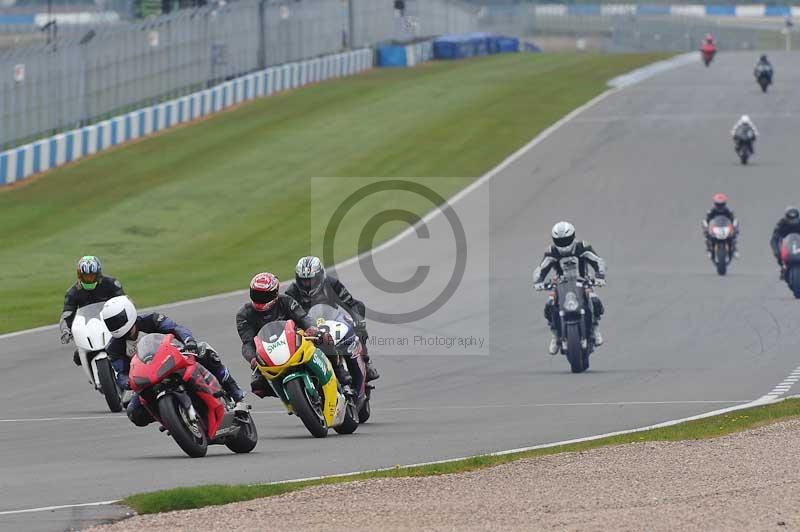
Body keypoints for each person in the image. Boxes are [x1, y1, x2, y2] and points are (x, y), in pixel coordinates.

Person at [99, 296, 246, 427]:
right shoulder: (113, 347)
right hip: (148, 378)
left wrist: (189, 341)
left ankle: (236, 393)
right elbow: (120, 373)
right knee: (133, 412)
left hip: (172, 359)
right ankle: (172, 418)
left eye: (117, 320)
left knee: (204, 351)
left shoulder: (151, 319)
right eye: (111, 322)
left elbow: (175, 328)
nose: (115, 324)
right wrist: (127, 382)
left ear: (129, 313)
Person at [236, 272, 330, 399]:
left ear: (274, 293)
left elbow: (303, 317)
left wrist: (312, 328)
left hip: (296, 340)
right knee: (258, 386)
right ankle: (289, 396)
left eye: (264, 295)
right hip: (269, 351)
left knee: (325, 340)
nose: (260, 299)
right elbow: (247, 342)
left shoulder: (285, 301)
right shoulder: (244, 314)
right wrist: (253, 359)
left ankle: (342, 375)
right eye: (256, 294)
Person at [285, 256, 379, 381]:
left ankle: (366, 362)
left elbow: (353, 304)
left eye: (311, 280)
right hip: (307, 328)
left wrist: (359, 322)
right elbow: (286, 317)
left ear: (320, 276)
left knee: (358, 329)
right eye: (303, 281)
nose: (307, 284)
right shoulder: (291, 292)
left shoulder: (331, 283)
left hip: (333, 320)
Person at [533, 222, 606, 355]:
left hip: (583, 281)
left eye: (566, 240)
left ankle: (595, 328)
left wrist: (599, 276)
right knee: (549, 305)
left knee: (594, 299)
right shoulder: (552, 251)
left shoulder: (582, 247)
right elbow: (541, 268)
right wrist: (538, 281)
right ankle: (555, 335)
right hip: (560, 284)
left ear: (573, 236)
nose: (564, 244)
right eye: (560, 241)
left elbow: (598, 261)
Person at [59, 256, 125, 366]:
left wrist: (124, 316)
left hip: (111, 323)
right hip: (88, 328)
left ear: (98, 274)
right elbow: (67, 313)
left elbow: (123, 301)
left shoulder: (111, 283)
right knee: (77, 358)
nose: (89, 279)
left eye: (91, 276)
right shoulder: (73, 292)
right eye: (85, 276)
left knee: (130, 344)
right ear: (80, 276)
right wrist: (66, 330)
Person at [703, 193, 739, 258]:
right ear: (715, 204)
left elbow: (733, 220)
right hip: (715, 228)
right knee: (708, 236)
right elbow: (706, 220)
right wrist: (706, 226)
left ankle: (734, 250)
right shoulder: (711, 211)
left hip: (725, 228)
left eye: (721, 205)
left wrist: (735, 225)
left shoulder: (728, 211)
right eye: (718, 205)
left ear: (724, 204)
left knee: (733, 236)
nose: (720, 206)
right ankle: (709, 250)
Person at [770, 207, 800, 279]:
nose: (792, 221)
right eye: (790, 219)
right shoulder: (781, 224)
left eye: (794, 219)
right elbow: (774, 238)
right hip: (786, 244)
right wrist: (776, 250)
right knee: (780, 254)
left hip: (798, 243)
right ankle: (784, 267)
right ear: (786, 218)